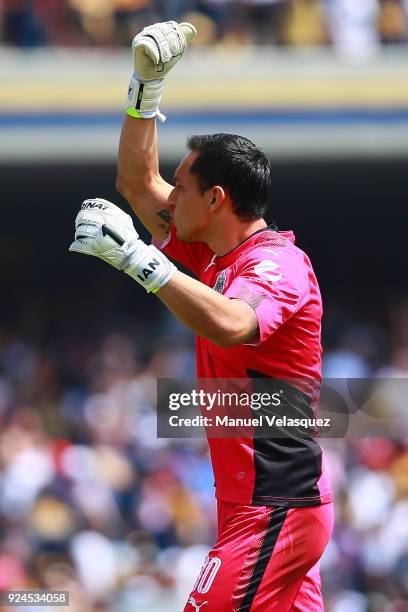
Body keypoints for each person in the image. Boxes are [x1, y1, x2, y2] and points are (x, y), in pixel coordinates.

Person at [69, 21, 333, 611]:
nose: (170, 199)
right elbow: (136, 182)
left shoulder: (280, 265)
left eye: (182, 189)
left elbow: (236, 323)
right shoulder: (213, 253)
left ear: (216, 200)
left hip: (277, 507)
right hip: (251, 506)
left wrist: (138, 259)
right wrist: (146, 85)